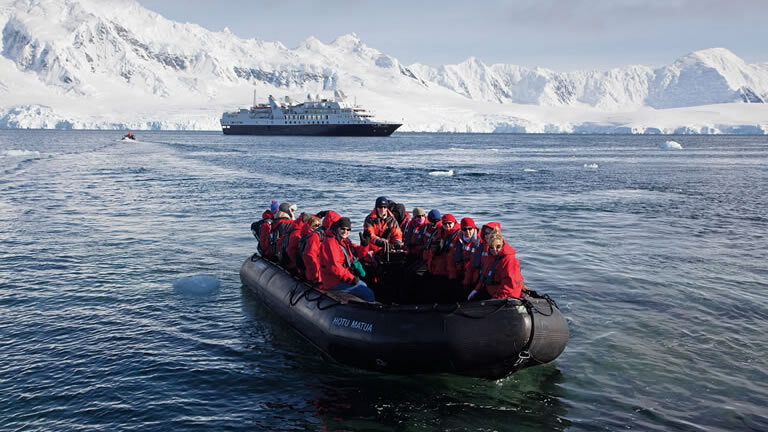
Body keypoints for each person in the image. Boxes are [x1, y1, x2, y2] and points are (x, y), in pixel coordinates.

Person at [319, 217, 376, 302]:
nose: (345, 232)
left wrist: (364, 245)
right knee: (368, 293)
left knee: (365, 284)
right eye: (343, 229)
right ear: (337, 228)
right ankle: (369, 313)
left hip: (342, 278)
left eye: (348, 229)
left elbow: (358, 254)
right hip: (334, 282)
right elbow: (335, 268)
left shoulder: (344, 241)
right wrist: (352, 279)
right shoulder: (330, 243)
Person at [467, 233, 525, 301]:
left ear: (502, 244)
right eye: (491, 247)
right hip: (492, 292)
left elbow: (509, 285)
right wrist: (476, 289)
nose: (494, 250)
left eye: (498, 246)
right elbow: (484, 277)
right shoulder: (491, 257)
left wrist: (495, 300)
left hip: (505, 296)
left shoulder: (510, 260)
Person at [302, 211, 340, 285]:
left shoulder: (334, 235)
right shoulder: (316, 236)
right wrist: (317, 276)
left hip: (328, 274)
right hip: (319, 276)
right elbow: (310, 256)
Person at [463, 222, 501, 290]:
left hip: (491, 287)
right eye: (486, 233)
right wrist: (466, 283)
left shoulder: (500, 251)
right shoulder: (480, 247)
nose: (488, 236)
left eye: (491, 234)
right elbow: (471, 266)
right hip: (477, 282)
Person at [448, 217, 481, 293]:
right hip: (460, 272)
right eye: (464, 229)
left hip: (473, 277)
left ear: (474, 228)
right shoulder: (457, 240)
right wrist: (452, 275)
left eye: (470, 229)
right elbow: (451, 257)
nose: (467, 231)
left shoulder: (480, 242)